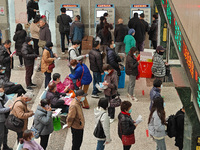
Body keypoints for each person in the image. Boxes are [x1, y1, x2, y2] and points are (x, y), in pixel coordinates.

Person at [0, 85, 13, 150]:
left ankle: (5, 146)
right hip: (1, 120)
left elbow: (8, 101)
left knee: (6, 132)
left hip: (6, 117)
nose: (1, 92)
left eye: (1, 91)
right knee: (1, 135)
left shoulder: (4, 96)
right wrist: (8, 108)